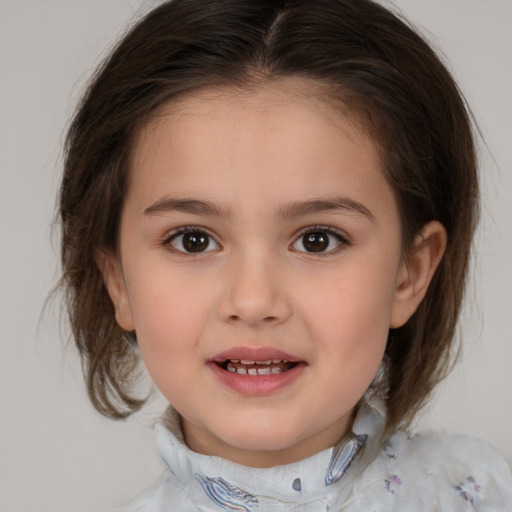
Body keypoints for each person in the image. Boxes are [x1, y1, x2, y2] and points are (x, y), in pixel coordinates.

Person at [58, 0, 512, 509]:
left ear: (410, 272)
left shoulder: (486, 492)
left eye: (317, 239)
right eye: (193, 240)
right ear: (118, 280)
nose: (253, 302)